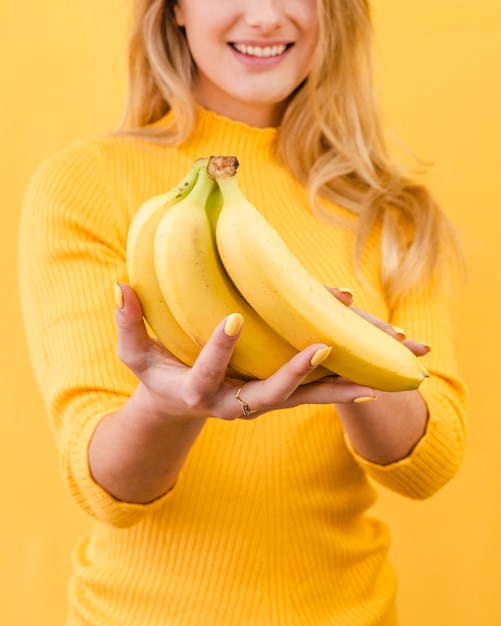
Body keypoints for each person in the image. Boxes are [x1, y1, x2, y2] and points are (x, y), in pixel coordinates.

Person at [19, 0, 468, 624]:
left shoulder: (390, 210)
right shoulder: (87, 184)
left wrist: (339, 348)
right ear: (175, 8)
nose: (264, 17)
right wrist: (167, 405)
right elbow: (109, 489)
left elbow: (429, 464)